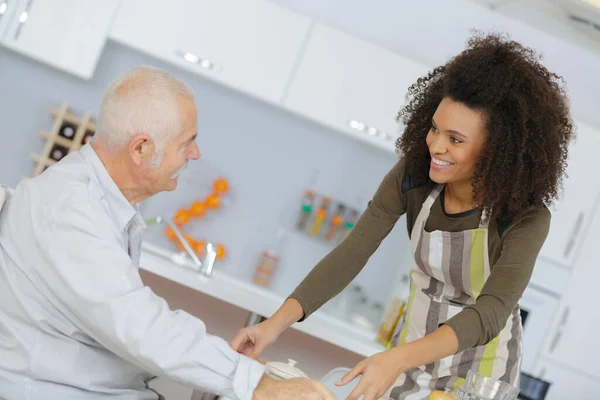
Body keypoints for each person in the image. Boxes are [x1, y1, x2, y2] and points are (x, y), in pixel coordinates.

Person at [231, 33, 574, 400]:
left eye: (455, 139)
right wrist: (274, 324)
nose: (436, 146)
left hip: (481, 372)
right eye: (434, 128)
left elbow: (492, 311)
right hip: (410, 350)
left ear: (497, 149)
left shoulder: (523, 217)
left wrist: (397, 359)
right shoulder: (413, 177)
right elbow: (353, 252)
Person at [0, 66, 334, 400]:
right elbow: (140, 326)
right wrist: (260, 385)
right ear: (141, 148)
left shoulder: (96, 201)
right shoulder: (71, 211)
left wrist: (237, 370)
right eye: (186, 143)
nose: (195, 154)